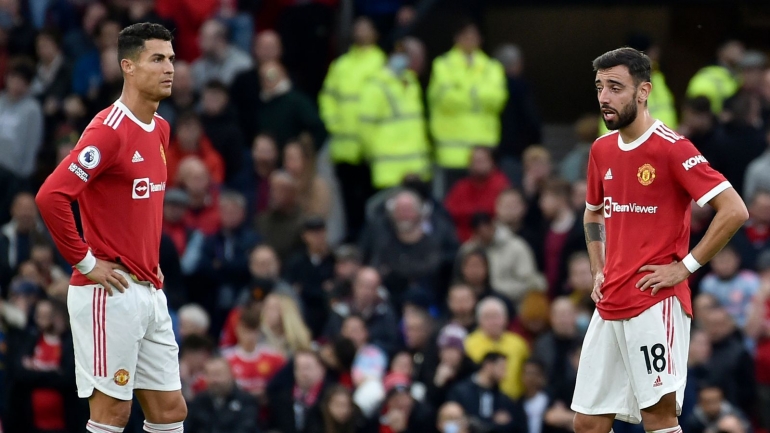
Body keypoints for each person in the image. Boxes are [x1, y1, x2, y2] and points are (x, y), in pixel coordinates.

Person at [573, 47, 748, 433]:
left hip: (655, 303)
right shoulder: (601, 149)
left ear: (643, 91)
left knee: (659, 419)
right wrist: (597, 267)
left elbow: (734, 209)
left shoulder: (672, 147)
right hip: (610, 300)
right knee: (587, 422)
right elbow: (593, 211)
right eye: (600, 87)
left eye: (615, 87)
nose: (604, 97)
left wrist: (683, 268)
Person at [34, 23, 188, 433]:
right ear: (129, 67)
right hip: (108, 292)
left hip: (149, 289)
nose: (169, 67)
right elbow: (51, 196)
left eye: (171, 58)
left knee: (170, 410)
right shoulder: (108, 132)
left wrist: (148, 263)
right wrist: (86, 263)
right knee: (111, 415)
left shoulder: (160, 129)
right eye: (157, 59)